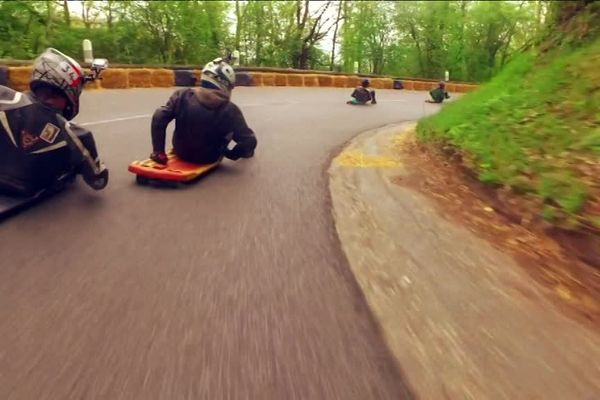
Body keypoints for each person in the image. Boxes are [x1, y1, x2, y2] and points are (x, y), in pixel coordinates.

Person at [0, 48, 108, 197]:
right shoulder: (74, 132)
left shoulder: (8, 97)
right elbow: (98, 180)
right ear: (68, 92)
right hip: (25, 186)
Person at [150, 57, 257, 165]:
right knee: (234, 131)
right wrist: (232, 154)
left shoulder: (182, 94)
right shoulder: (230, 109)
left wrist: (158, 151)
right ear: (225, 83)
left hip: (181, 152)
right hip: (209, 157)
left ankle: (158, 154)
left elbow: (159, 115)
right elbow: (249, 141)